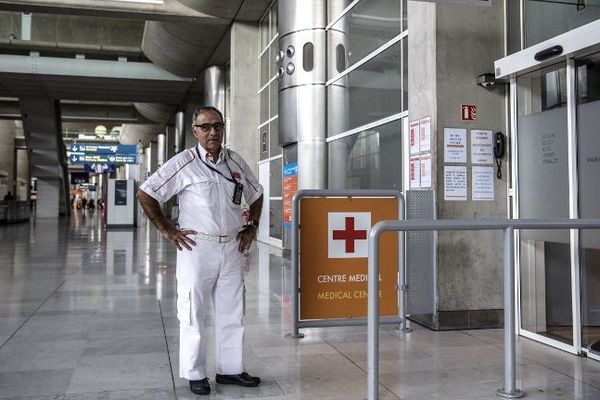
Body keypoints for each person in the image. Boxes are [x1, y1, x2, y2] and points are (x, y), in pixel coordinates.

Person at [137, 106, 264, 396]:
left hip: (232, 246)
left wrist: (252, 226)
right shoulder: (184, 163)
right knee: (193, 312)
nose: (212, 132)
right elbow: (146, 192)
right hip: (197, 248)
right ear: (195, 131)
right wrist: (167, 229)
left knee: (233, 312)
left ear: (223, 128)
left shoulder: (235, 161)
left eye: (217, 126)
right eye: (205, 127)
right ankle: (195, 373)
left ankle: (230, 370)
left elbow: (256, 193)